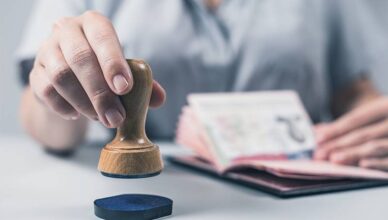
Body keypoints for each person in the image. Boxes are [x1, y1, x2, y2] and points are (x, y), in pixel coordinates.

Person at [17, 0, 387, 170]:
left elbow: (354, 93)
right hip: (144, 189)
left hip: (302, 194)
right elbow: (46, 122)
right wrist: (54, 92)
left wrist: (372, 130)